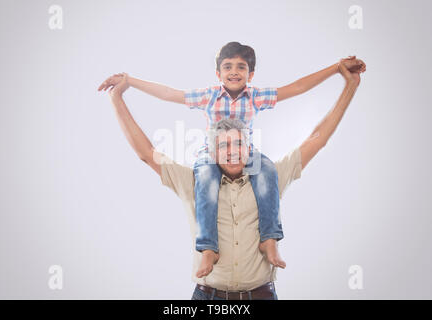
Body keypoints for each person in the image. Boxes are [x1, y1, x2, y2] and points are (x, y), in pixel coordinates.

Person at [98, 59, 364, 300]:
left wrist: (349, 86)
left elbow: (317, 139)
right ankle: (208, 250)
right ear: (212, 152)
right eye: (224, 146)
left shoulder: (269, 178)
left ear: (249, 149)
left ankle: (270, 242)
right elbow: (146, 153)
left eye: (239, 144)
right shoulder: (194, 181)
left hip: (261, 296)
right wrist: (117, 98)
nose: (233, 151)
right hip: (208, 296)